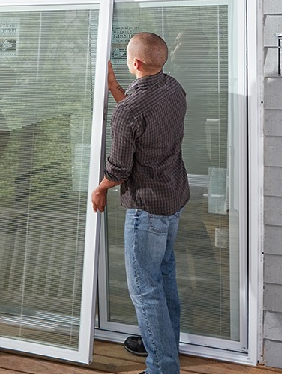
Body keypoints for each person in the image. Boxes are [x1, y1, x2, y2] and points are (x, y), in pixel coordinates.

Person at [92, 32, 190, 374]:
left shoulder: (130, 110)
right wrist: (116, 89)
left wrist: (101, 188)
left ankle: (162, 367)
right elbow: (142, 121)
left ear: (135, 62)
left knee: (145, 290)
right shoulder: (174, 88)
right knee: (164, 279)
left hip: (147, 209)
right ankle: (165, 346)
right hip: (173, 198)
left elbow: (119, 168)